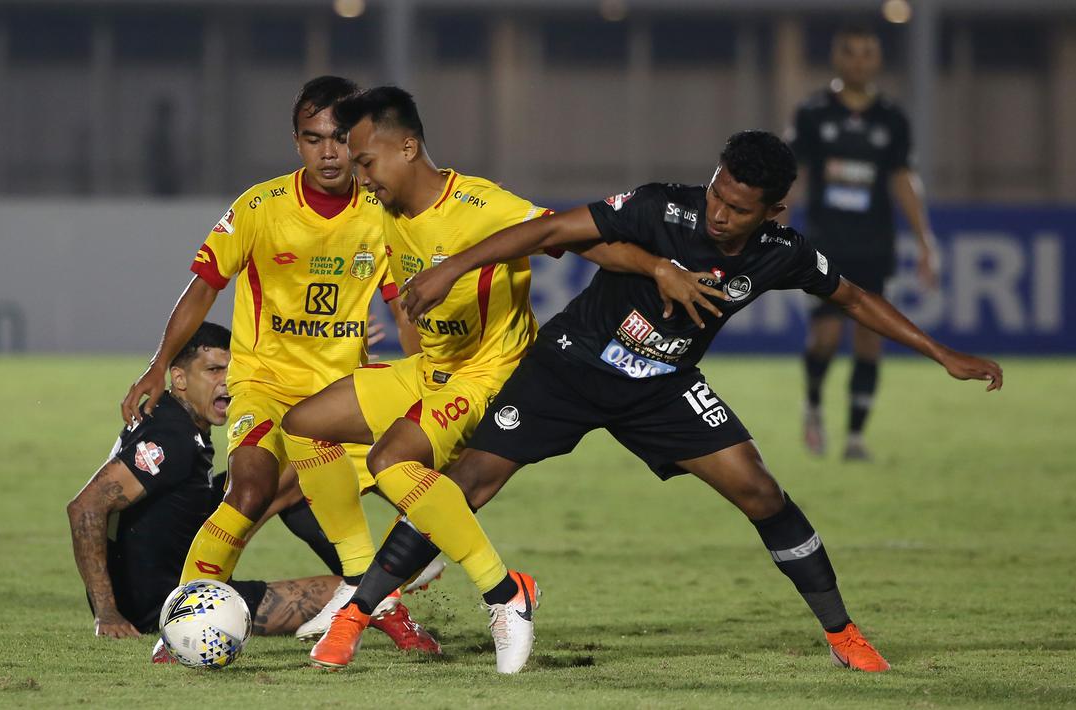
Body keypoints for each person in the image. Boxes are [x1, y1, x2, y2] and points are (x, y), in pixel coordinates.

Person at [314, 130, 1003, 674]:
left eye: (738, 208)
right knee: (465, 485)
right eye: (716, 195)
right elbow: (552, 231)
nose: (720, 213)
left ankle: (842, 632)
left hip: (661, 387)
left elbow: (851, 297)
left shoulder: (779, 253)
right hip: (567, 368)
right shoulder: (659, 207)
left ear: (771, 212)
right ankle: (356, 614)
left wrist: (940, 352)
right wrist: (453, 266)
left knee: (760, 492)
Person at [280, 86, 695, 674]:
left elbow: (582, 239)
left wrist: (657, 267)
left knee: (391, 463)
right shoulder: (382, 208)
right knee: (302, 427)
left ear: (408, 147)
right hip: (430, 372)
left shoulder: (483, 207)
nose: (359, 176)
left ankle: (505, 594)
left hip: (490, 376)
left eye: (367, 162)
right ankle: (362, 585)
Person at [119, 76, 435, 657]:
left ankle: (390, 607)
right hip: (264, 385)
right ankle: (181, 619)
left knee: (412, 495)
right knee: (249, 491)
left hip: (339, 398)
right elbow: (202, 287)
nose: (330, 152)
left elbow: (404, 305)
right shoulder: (260, 208)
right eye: (314, 139)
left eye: (340, 138)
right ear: (297, 143)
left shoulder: (380, 211)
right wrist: (158, 364)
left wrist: (426, 379)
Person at [68, 323, 341, 652]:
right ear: (179, 379)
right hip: (179, 606)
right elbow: (85, 506)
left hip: (173, 586)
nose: (226, 380)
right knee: (338, 591)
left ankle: (360, 574)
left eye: (232, 369)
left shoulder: (175, 422)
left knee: (278, 468)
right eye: (213, 370)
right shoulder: (174, 439)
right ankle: (363, 578)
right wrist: (107, 614)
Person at [787, 24, 940, 460]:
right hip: (825, 242)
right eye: (850, 52)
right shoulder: (813, 112)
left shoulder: (892, 118)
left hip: (873, 244)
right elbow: (793, 175)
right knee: (826, 337)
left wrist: (925, 242)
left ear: (878, 60)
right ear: (837, 58)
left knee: (871, 338)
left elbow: (903, 180)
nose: (859, 61)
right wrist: (766, 220)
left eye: (867, 53)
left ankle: (855, 436)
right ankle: (814, 403)